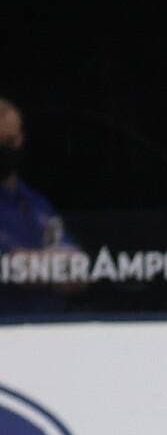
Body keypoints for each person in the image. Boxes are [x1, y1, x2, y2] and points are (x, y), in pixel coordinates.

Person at [0, 97, 78, 315]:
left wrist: (28, 262)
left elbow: (77, 269)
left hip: (47, 330)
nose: (6, 149)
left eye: (10, 141)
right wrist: (50, 265)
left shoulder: (36, 204)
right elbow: (13, 269)